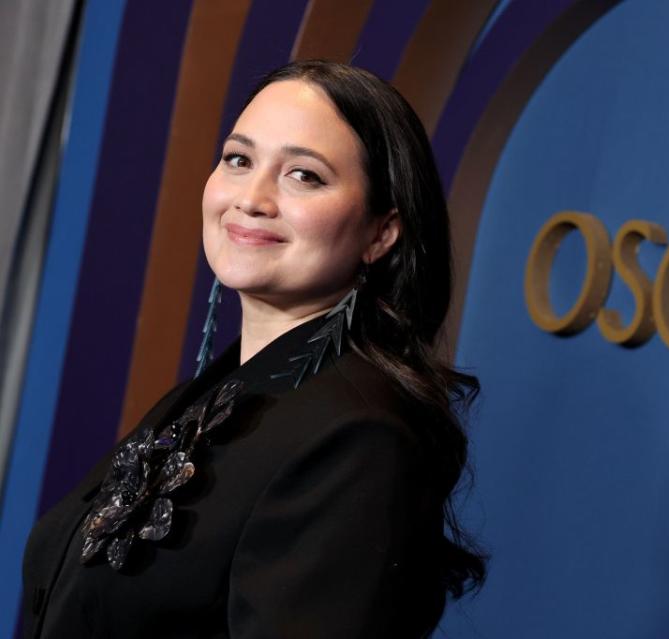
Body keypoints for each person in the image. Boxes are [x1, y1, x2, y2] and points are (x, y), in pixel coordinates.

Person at [22, 60, 485, 638]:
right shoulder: (216, 395)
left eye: (304, 176)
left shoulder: (357, 436)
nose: (252, 198)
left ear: (380, 232)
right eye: (239, 160)